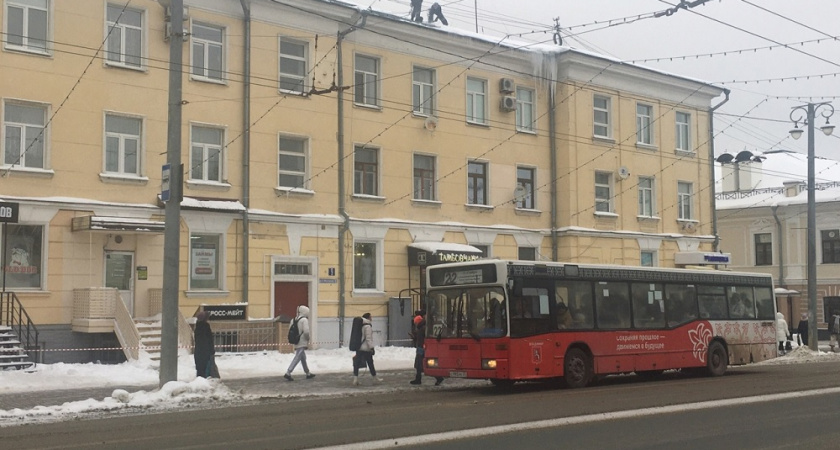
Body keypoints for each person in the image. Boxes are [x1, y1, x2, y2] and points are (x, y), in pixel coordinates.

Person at [410, 310, 444, 386]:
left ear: (418, 322)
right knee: (420, 365)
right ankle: (436, 378)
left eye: (415, 322)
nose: (415, 324)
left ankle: (437, 377)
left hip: (422, 348)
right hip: (421, 347)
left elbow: (423, 338)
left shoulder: (422, 328)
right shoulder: (422, 328)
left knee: (421, 365)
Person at [284, 305, 316, 381]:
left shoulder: (293, 319)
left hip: (296, 340)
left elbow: (290, 329)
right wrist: (308, 338)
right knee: (298, 356)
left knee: (302, 357)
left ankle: (307, 373)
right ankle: (288, 372)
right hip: (302, 341)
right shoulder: (304, 320)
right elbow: (306, 331)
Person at [353, 313, 382, 385]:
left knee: (357, 363)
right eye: (371, 317)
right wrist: (371, 348)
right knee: (370, 363)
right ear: (368, 318)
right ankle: (375, 378)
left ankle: (355, 379)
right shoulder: (367, 326)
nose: (372, 318)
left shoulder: (361, 325)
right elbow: (368, 338)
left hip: (359, 347)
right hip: (366, 348)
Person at [194, 311, 217, 378]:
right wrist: (212, 351)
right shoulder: (206, 326)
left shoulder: (197, 327)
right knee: (207, 368)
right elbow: (209, 340)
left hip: (198, 352)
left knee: (200, 369)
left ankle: (200, 380)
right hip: (206, 352)